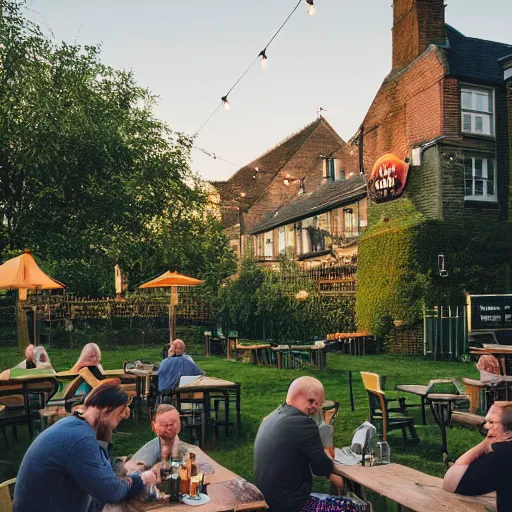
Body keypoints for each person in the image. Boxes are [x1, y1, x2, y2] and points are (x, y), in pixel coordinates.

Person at [13, 379, 158, 512]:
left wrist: (105, 440)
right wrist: (142, 479)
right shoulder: (80, 439)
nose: (116, 423)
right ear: (106, 409)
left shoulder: (74, 425)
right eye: (118, 414)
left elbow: (103, 469)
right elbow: (112, 492)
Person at [254, 376, 343, 512]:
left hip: (269, 500)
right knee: (359, 507)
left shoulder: (272, 416)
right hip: (291, 505)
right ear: (312, 402)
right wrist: (329, 466)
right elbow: (321, 467)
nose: (319, 409)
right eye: (320, 404)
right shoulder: (303, 423)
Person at [443, 401, 512, 511]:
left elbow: (450, 483)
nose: (486, 426)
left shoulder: (501, 455)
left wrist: (484, 444)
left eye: (492, 422)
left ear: (509, 433)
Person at [124, 404, 187, 473]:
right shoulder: (152, 450)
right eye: (164, 424)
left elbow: (176, 469)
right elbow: (175, 471)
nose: (169, 428)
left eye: (172, 423)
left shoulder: (178, 444)